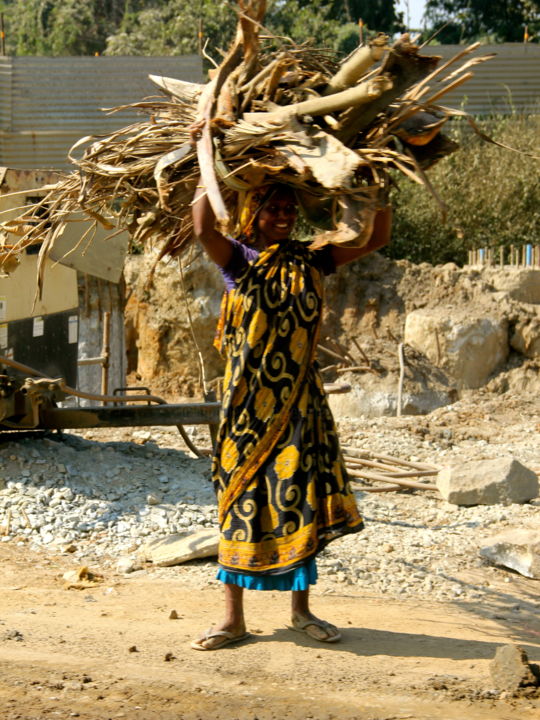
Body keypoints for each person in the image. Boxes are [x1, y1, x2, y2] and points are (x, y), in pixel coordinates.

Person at [190, 143, 392, 651]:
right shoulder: (238, 260)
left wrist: (381, 179)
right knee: (239, 501)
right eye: (271, 208)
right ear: (251, 213)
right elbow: (201, 230)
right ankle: (232, 618)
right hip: (245, 410)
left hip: (299, 406)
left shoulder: (311, 259)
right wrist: (204, 163)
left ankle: (301, 612)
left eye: (288, 209)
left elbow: (376, 238)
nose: (282, 217)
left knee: (297, 500)